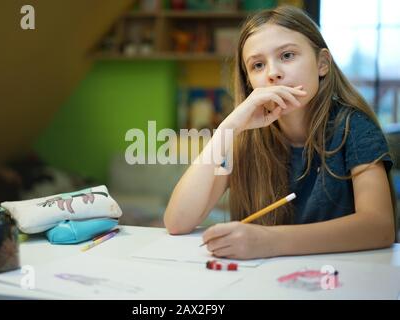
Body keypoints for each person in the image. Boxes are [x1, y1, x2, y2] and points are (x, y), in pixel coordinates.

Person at [163, 5, 397, 260]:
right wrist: (226, 129)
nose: (273, 73)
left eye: (287, 55)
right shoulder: (242, 138)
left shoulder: (355, 127)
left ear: (322, 64)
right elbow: (177, 222)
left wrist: (270, 241)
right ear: (249, 82)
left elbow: (379, 227)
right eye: (258, 65)